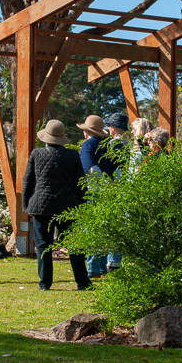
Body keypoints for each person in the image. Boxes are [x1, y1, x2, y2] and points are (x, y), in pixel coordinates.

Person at [22, 120, 91, 291]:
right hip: (67, 205)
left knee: (43, 245)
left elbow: (28, 181)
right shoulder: (72, 155)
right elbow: (80, 182)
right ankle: (82, 282)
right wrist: (82, 204)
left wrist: (26, 204)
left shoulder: (36, 154)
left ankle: (45, 283)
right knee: (74, 244)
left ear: (46, 137)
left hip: (41, 206)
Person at [77, 114, 115, 278]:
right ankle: (101, 266)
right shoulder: (108, 146)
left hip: (95, 191)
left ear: (87, 132)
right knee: (104, 229)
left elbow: (91, 170)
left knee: (92, 229)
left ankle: (92, 267)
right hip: (110, 191)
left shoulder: (88, 145)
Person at [103, 112, 129, 272]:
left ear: (114, 128)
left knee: (112, 224)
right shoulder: (127, 145)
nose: (108, 128)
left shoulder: (114, 145)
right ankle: (116, 260)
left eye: (110, 126)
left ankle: (112, 261)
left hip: (114, 186)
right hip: (123, 187)